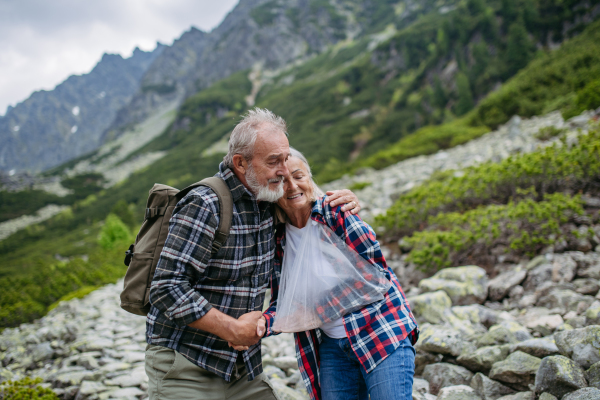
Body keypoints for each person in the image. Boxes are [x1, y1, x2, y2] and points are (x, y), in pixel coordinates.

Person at [145, 108, 361, 400]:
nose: (284, 170)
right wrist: (232, 329)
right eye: (274, 161)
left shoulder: (269, 199)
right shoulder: (204, 204)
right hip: (186, 364)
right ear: (240, 163)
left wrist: (340, 202)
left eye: (286, 158)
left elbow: (305, 208)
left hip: (242, 369)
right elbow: (166, 287)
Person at [258, 148, 419, 400]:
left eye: (298, 176)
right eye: (279, 181)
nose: (291, 186)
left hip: (380, 329)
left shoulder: (334, 213)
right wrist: (259, 325)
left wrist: (315, 307)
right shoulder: (278, 241)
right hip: (333, 345)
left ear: (310, 178)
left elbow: (376, 275)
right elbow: (286, 304)